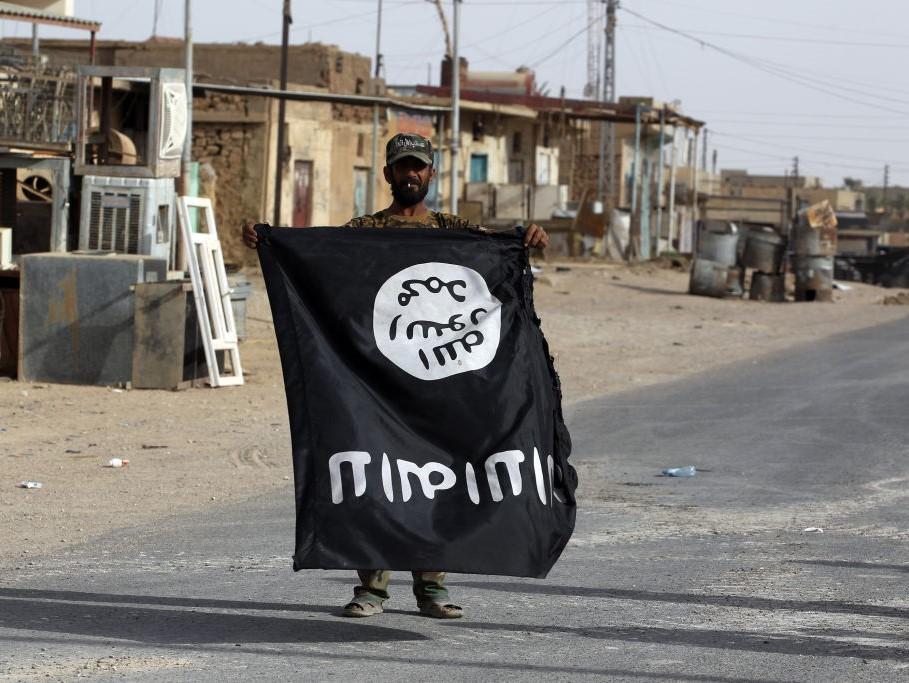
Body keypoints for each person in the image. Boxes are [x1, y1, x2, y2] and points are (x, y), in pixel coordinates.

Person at [243, 133, 548, 619]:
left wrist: (526, 240)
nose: (411, 174)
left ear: (431, 174)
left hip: (445, 379)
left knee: (441, 477)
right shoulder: (364, 230)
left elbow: (497, 262)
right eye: (403, 167)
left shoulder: (454, 229)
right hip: (381, 379)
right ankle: (372, 588)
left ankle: (433, 589)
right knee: (380, 471)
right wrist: (275, 245)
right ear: (387, 174)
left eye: (420, 167)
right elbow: (327, 271)